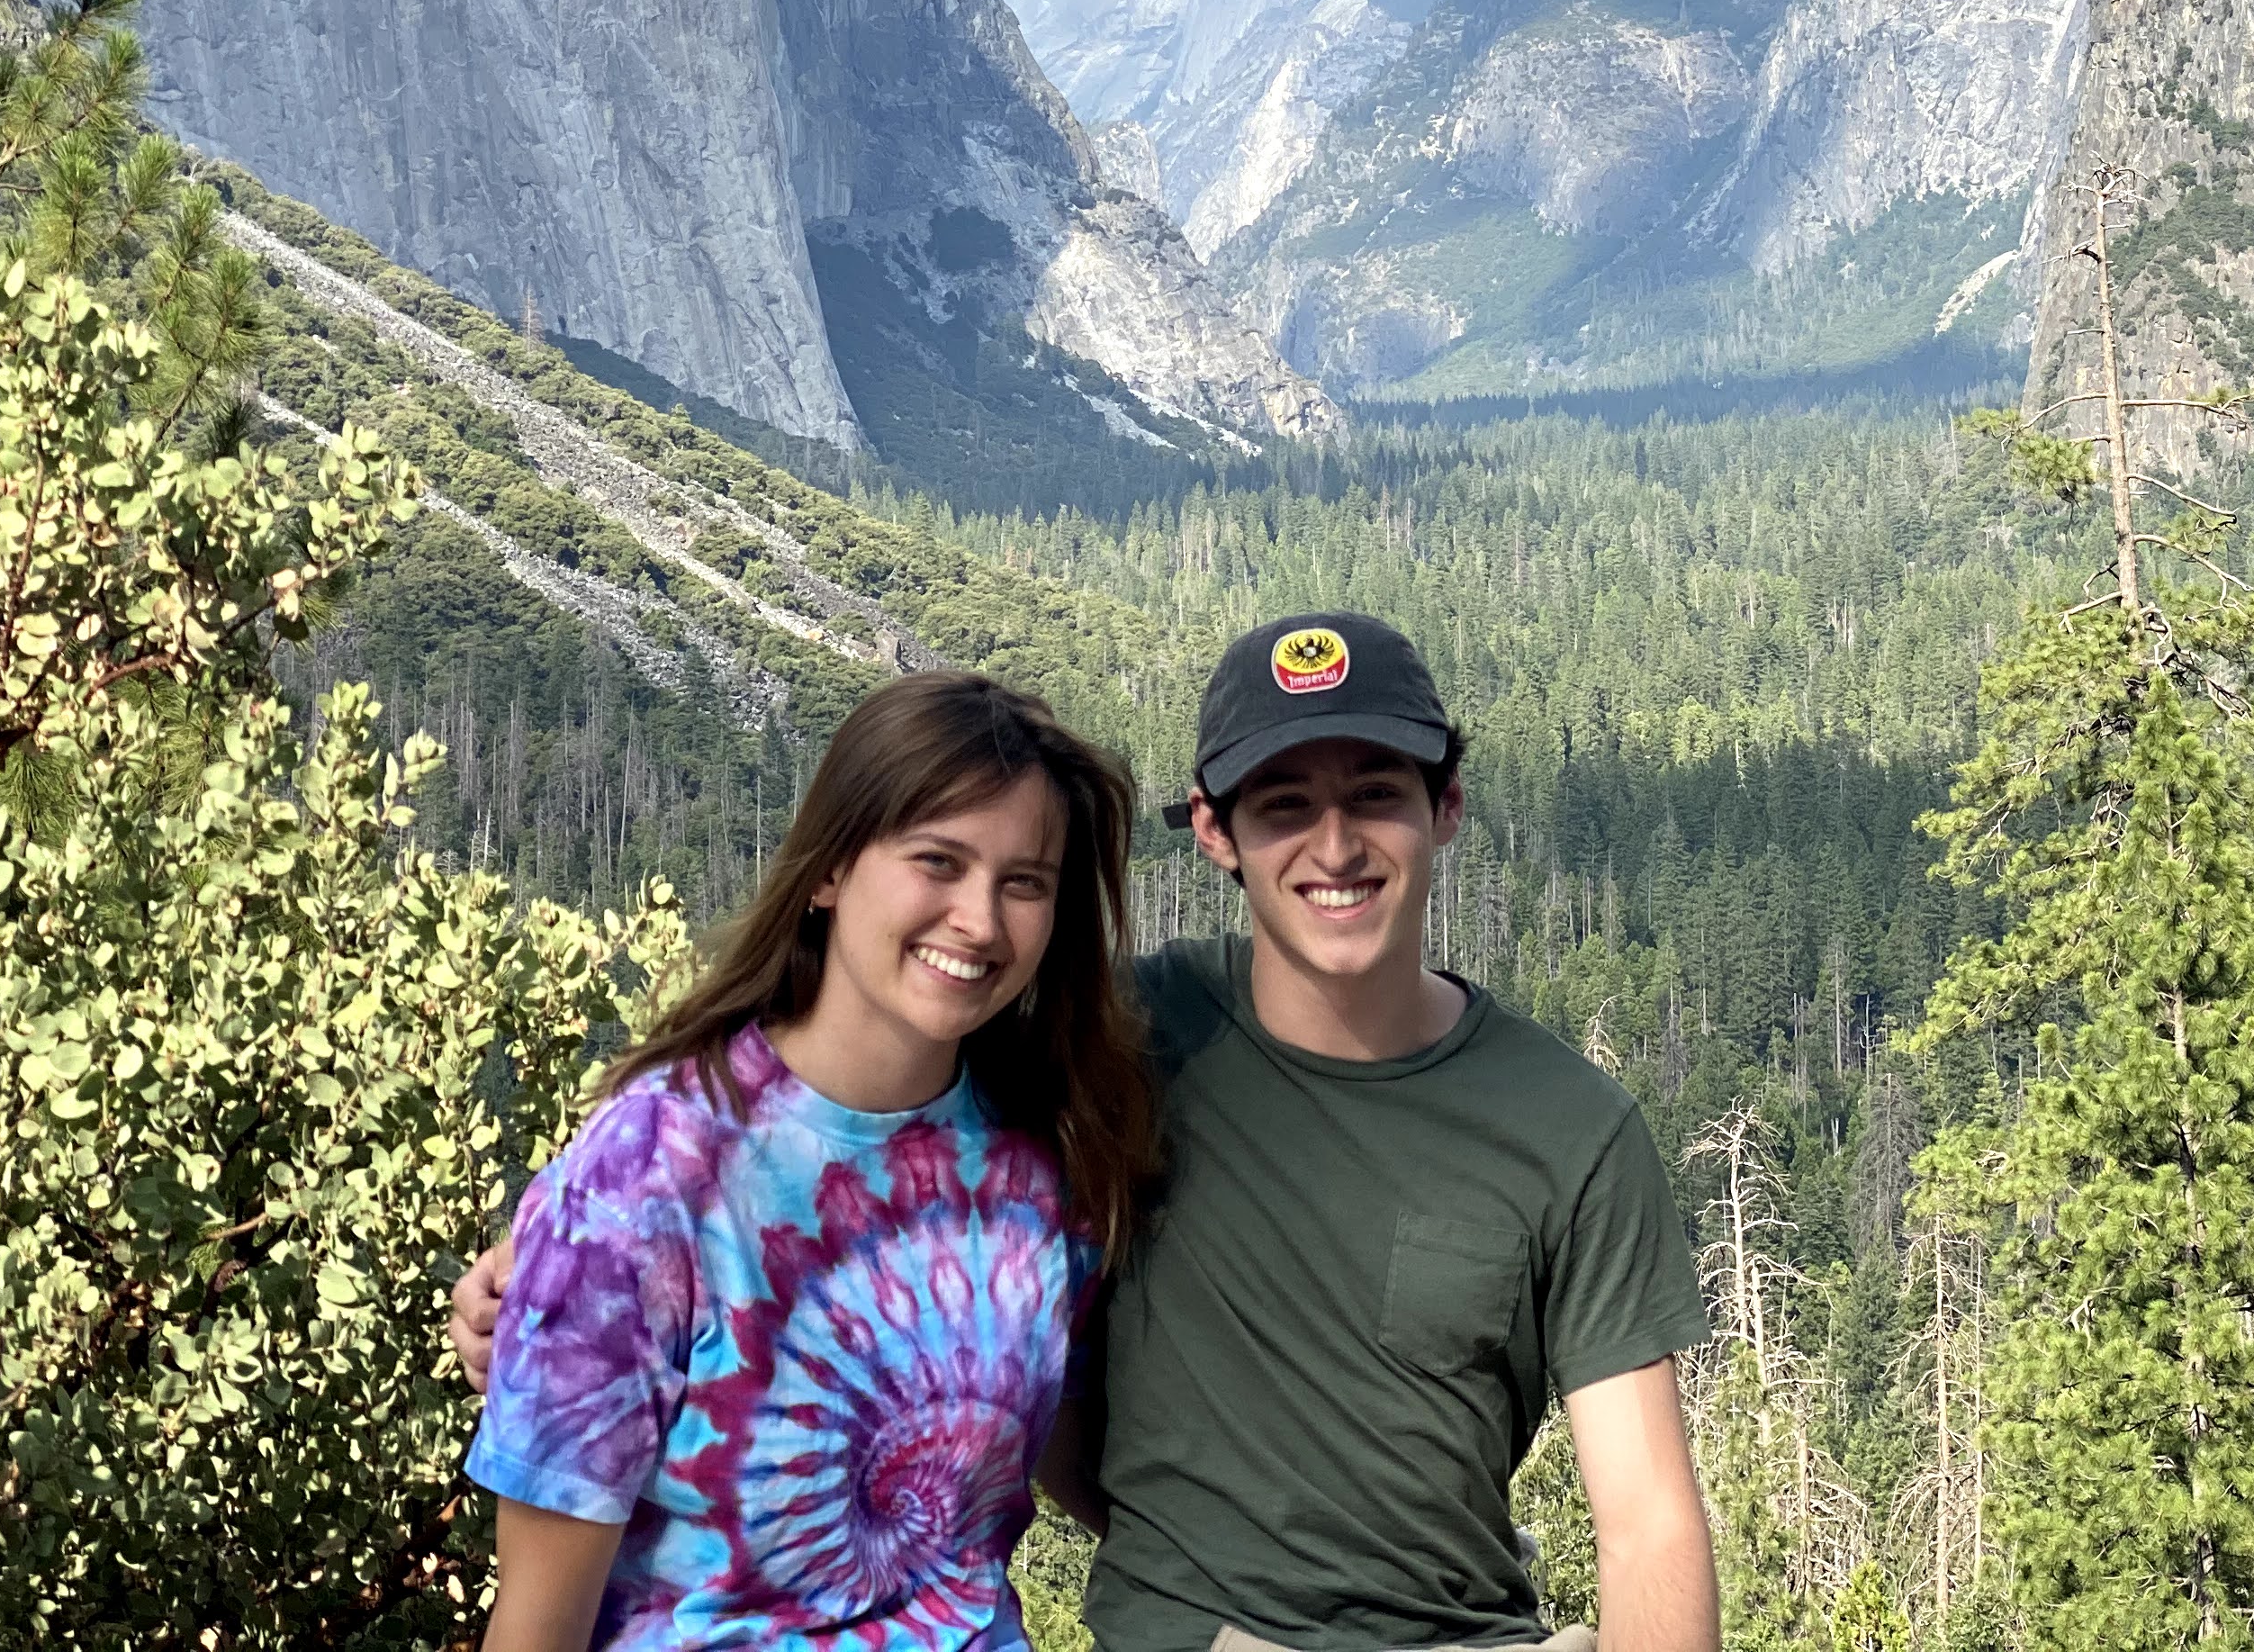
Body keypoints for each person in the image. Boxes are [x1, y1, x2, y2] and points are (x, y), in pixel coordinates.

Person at [461, 614, 1718, 1652]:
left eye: (1024, 885)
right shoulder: (1094, 1054)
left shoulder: (1061, 1101)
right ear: (1216, 832)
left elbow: (1650, 1518)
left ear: (1444, 808)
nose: (1334, 844)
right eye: (1283, 805)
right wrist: (556, 1265)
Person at [464, 671, 1158, 1652]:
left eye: (1024, 883)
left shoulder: (1041, 1163)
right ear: (829, 871)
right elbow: (538, 1627)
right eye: (938, 861)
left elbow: (1076, 1455)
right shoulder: (651, 1173)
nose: (980, 920)